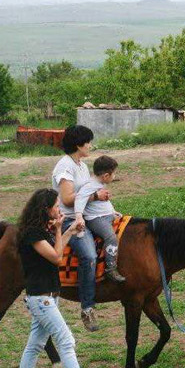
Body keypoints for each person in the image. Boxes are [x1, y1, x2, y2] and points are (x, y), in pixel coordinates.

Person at [15, 188, 104, 368]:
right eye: (56, 206)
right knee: (66, 339)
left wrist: (69, 230)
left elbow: (57, 249)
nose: (59, 208)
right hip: (42, 299)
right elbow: (56, 257)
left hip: (46, 298)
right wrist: (58, 231)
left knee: (34, 345)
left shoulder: (38, 231)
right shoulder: (32, 234)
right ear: (46, 209)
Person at [52, 125, 108, 331]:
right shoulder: (64, 167)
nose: (91, 146)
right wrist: (94, 196)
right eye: (88, 142)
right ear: (78, 144)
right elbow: (66, 199)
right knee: (89, 255)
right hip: (69, 220)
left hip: (85, 215)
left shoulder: (82, 166)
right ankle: (87, 307)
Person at [74, 155, 126, 283]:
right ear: (106, 176)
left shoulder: (99, 183)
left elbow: (103, 203)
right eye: (114, 174)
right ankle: (110, 268)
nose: (115, 176)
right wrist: (79, 215)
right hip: (96, 219)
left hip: (106, 216)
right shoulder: (90, 186)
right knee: (111, 237)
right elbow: (80, 199)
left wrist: (113, 212)